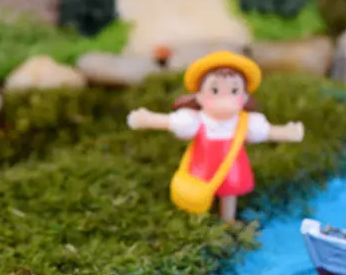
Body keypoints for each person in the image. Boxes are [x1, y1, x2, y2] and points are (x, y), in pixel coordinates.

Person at [126, 51, 304, 222]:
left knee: (229, 192)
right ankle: (197, 214)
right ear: (199, 96)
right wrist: (148, 119)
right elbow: (172, 122)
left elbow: (265, 131)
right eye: (215, 90)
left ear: (244, 97)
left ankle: (228, 218)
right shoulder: (195, 119)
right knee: (198, 189)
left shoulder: (245, 122)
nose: (224, 99)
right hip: (202, 163)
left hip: (231, 165)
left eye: (234, 91)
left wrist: (287, 132)